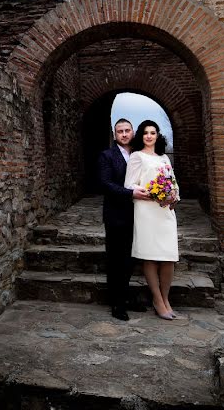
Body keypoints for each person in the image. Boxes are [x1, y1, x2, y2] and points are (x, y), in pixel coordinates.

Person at [124, 120, 180, 320]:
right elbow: (130, 185)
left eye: (153, 132)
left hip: (165, 211)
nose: (149, 136)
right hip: (146, 210)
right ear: (141, 136)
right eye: (146, 132)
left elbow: (173, 183)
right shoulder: (136, 157)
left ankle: (166, 299)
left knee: (168, 257)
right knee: (150, 255)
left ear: (158, 136)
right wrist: (152, 193)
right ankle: (157, 300)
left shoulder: (164, 158)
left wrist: (173, 196)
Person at [99, 118, 149, 321]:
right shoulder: (107, 155)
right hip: (116, 215)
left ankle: (125, 297)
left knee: (130, 260)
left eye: (127, 130)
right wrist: (131, 194)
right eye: (120, 131)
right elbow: (105, 184)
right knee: (116, 260)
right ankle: (116, 303)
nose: (124, 134)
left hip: (138, 215)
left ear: (133, 132)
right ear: (115, 134)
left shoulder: (139, 155)